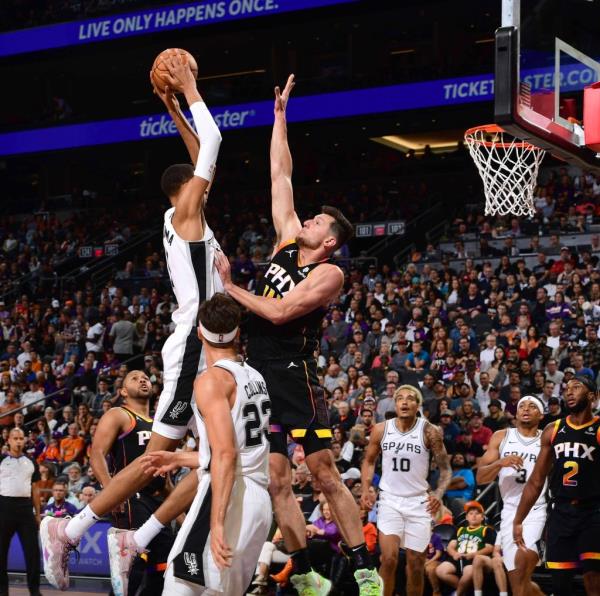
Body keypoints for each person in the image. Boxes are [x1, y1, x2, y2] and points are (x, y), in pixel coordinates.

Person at [40, 51, 223, 590]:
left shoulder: (182, 213)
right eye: (200, 182)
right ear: (188, 188)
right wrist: (189, 87)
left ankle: (127, 539)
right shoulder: (186, 215)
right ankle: (70, 531)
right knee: (155, 460)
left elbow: (197, 153)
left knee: (216, 462)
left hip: (206, 348)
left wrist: (170, 108)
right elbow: (209, 145)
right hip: (194, 343)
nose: (206, 182)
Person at [215, 75, 381, 594]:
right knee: (278, 478)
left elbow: (283, 311)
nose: (305, 218)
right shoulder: (287, 241)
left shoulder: (330, 274)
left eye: (315, 220)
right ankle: (304, 570)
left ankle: (362, 567)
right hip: (258, 368)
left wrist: (231, 288)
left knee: (325, 471)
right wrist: (280, 117)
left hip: (293, 372)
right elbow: (280, 174)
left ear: (329, 240)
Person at [140, 293, 272, 595]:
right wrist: (183, 459)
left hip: (227, 495)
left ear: (199, 332)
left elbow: (226, 454)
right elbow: (237, 448)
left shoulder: (211, 380)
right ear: (238, 332)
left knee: (177, 588)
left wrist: (217, 523)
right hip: (257, 500)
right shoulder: (254, 376)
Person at [360, 385, 452, 596]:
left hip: (418, 501)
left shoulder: (430, 431)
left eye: (410, 398)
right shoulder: (382, 429)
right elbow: (369, 460)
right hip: (390, 500)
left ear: (417, 405)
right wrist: (366, 488)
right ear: (395, 403)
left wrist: (438, 494)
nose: (404, 402)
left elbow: (446, 470)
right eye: (399, 398)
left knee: (416, 564)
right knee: (389, 559)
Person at [89, 370, 174, 596]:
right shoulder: (119, 414)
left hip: (156, 501)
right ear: (123, 391)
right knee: (132, 568)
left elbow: (163, 476)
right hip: (130, 498)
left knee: (163, 566)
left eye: (146, 377)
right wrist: (112, 492)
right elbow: (96, 453)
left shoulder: (159, 424)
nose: (143, 380)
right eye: (135, 378)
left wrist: (179, 509)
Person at [514, 375, 600, 596]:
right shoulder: (553, 429)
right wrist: (518, 520)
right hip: (561, 512)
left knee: (594, 578)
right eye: (567, 388)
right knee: (560, 583)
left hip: (593, 512)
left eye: (577, 387)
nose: (569, 392)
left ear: (592, 396)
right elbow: (536, 480)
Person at [476, 395, 546, 596]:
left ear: (540, 415)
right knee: (518, 581)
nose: (526, 409)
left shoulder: (547, 438)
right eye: (522, 406)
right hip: (509, 512)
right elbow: (480, 477)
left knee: (522, 564)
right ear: (516, 413)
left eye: (532, 406)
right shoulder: (501, 436)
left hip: (536, 509)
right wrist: (500, 463)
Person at [0, 428, 42, 596]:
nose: (18, 441)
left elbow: (36, 489)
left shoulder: (31, 461)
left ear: (25, 440)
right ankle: (2, 591)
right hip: (3, 506)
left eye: (21, 438)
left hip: (25, 508)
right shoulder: (1, 460)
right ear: (8, 440)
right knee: (1, 552)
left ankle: (35, 591)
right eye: (15, 438)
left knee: (32, 552)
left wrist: (38, 513)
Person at [435, 501, 496, 595]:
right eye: (471, 514)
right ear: (467, 517)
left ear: (482, 517)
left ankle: (458, 593)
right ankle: (464, 591)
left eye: (477, 513)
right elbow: (451, 546)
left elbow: (489, 548)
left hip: (475, 560)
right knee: (440, 571)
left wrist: (472, 555)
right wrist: (454, 554)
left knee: (468, 572)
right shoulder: (460, 530)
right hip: (458, 558)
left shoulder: (487, 530)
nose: (474, 516)